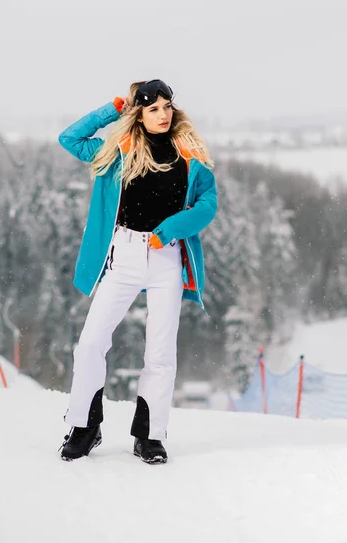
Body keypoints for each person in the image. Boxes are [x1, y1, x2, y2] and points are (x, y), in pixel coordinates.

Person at [58, 79, 217, 464]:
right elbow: (70, 138)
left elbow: (207, 204)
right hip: (124, 257)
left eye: (167, 107)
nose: (163, 114)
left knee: (160, 353)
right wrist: (115, 106)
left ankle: (149, 436)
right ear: (139, 113)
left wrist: (172, 229)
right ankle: (85, 427)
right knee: (91, 343)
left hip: (166, 260)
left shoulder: (190, 155)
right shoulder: (119, 153)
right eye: (153, 108)